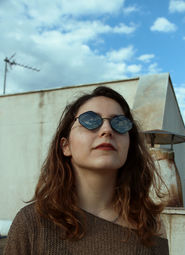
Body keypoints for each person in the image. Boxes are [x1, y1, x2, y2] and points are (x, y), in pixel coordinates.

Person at [4, 86, 169, 255]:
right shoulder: (32, 223)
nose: (107, 130)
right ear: (65, 146)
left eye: (119, 123)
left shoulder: (153, 226)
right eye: (90, 120)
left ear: (129, 146)